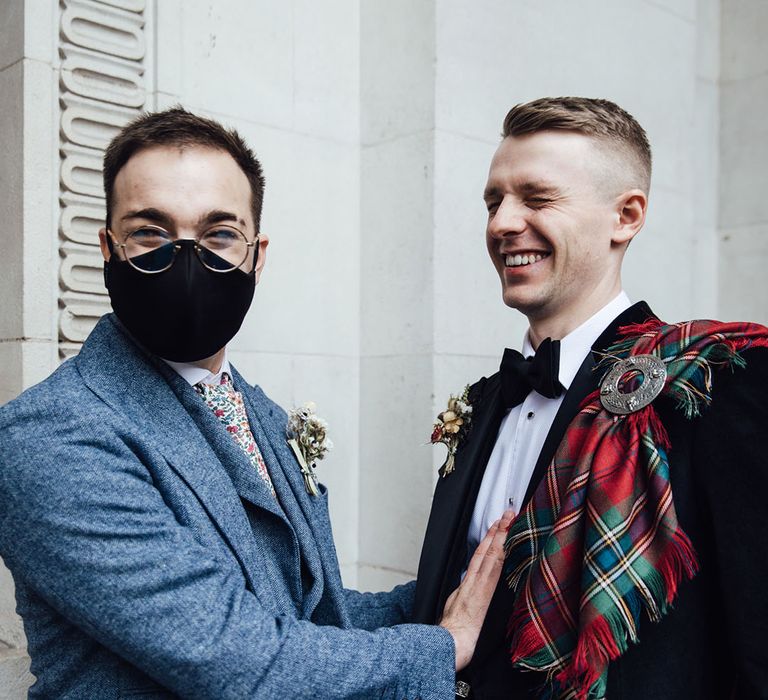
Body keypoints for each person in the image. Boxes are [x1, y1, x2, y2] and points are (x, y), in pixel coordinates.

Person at [0, 107, 513, 699]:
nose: (187, 260)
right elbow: (236, 657)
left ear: (256, 254)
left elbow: (303, 613)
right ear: (108, 249)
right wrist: (445, 644)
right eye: (150, 232)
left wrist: (446, 593)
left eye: (219, 234)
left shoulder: (262, 412)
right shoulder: (51, 436)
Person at [413, 97, 768, 699]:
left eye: (537, 197)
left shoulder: (717, 382)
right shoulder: (482, 404)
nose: (502, 223)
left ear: (625, 216)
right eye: (494, 201)